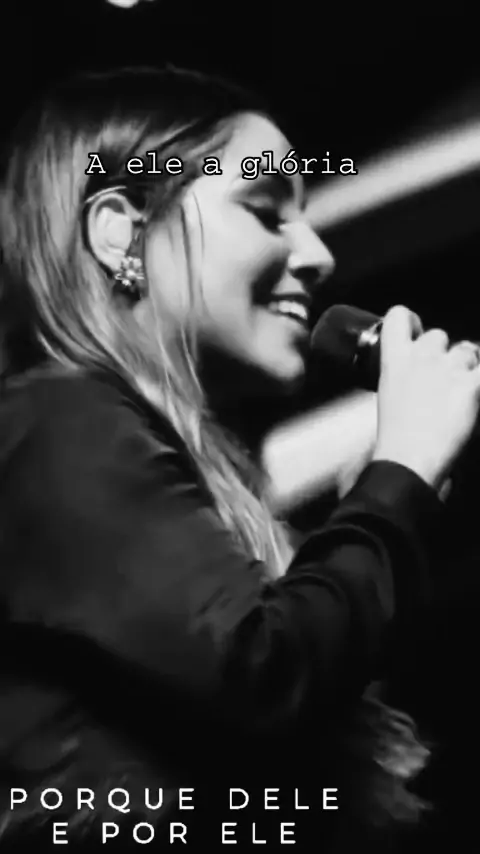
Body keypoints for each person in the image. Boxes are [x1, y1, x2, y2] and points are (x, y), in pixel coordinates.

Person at [0, 66, 479, 852]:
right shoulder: (54, 421)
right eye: (263, 211)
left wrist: (376, 511)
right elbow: (262, 677)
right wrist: (396, 485)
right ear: (119, 233)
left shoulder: (139, 459)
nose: (317, 254)